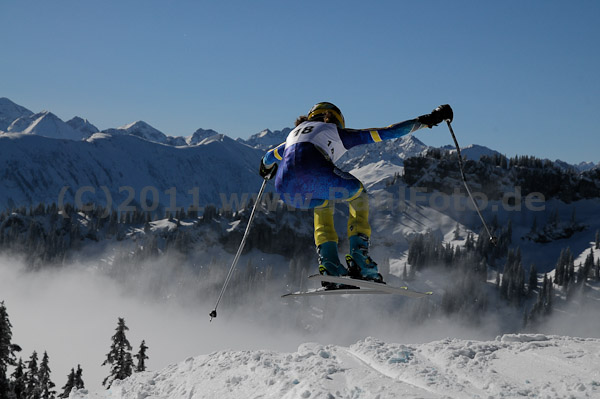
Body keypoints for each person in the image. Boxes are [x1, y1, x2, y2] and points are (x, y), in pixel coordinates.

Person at [259, 102, 453, 286]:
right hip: (314, 171)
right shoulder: (334, 131)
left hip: (284, 188)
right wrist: (429, 119)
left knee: (323, 202)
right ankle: (360, 258)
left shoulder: (292, 136)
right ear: (334, 118)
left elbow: (268, 157)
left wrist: (265, 169)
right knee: (358, 193)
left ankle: (329, 264)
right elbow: (388, 132)